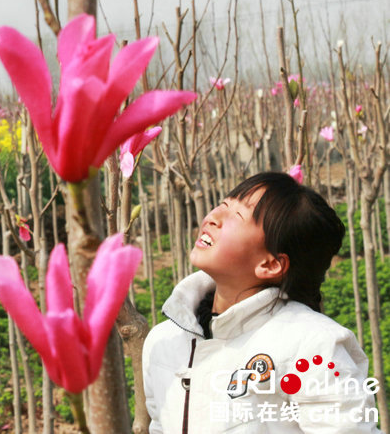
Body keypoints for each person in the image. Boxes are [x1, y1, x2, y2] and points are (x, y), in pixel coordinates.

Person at [143, 172, 379, 433]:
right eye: (224, 204)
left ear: (270, 264)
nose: (213, 217)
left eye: (238, 215)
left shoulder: (313, 345)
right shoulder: (163, 340)